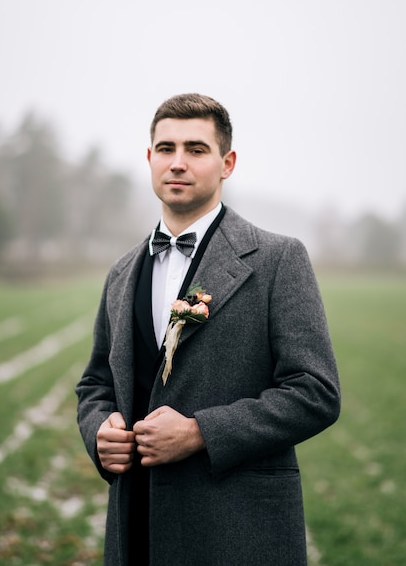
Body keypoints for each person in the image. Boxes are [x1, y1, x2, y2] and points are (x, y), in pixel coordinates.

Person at [75, 93, 341, 566]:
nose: (178, 163)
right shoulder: (121, 272)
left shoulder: (279, 260)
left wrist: (201, 432)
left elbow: (315, 392)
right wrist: (99, 430)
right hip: (135, 530)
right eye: (166, 149)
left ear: (227, 163)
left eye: (196, 150)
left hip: (236, 534)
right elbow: (96, 382)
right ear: (150, 158)